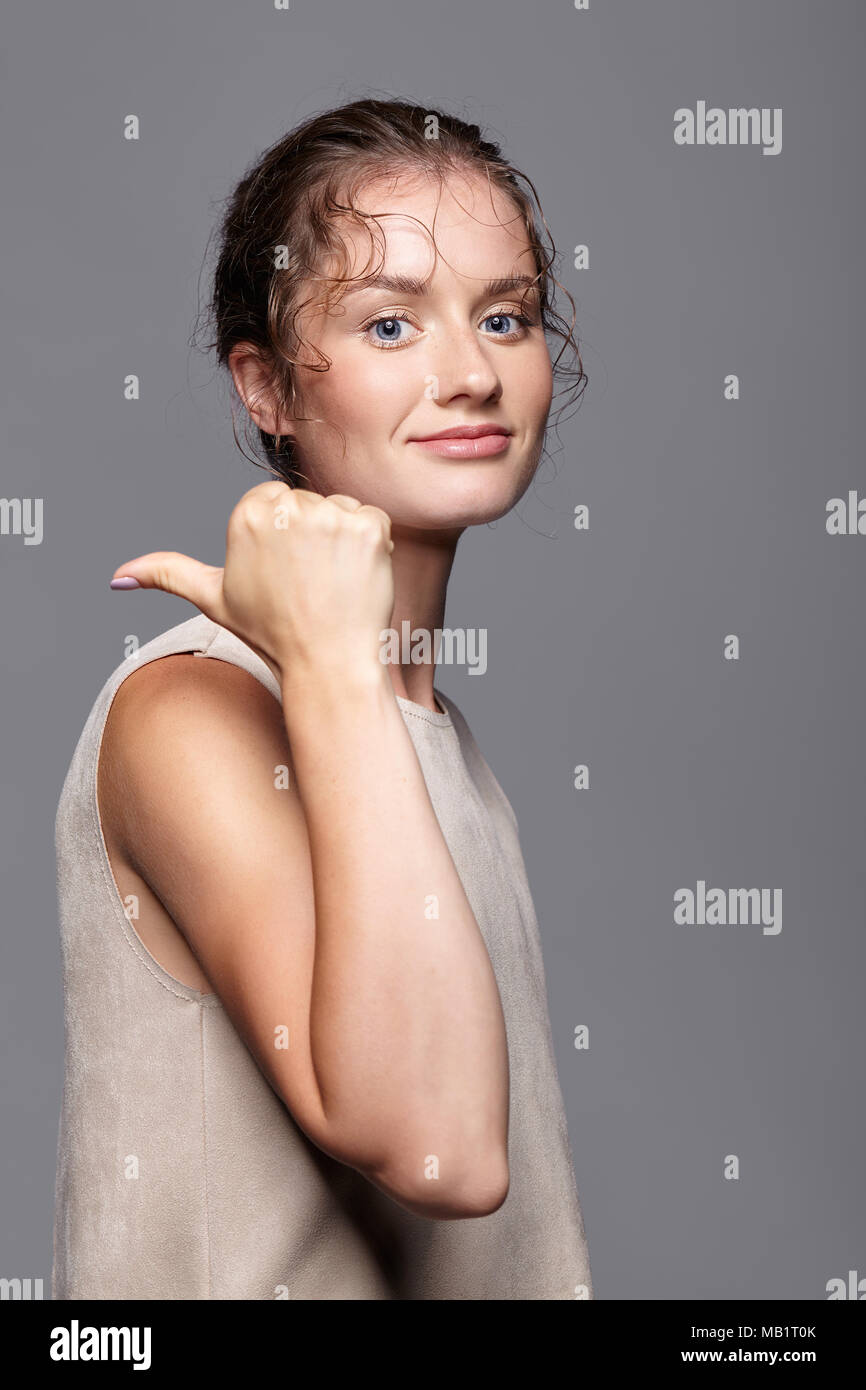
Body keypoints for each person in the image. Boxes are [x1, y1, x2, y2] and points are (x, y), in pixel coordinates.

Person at [51, 97, 594, 1299]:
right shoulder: (191, 711)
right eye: (389, 322)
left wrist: (350, 676)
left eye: (503, 316)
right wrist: (338, 665)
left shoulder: (431, 745)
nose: (468, 373)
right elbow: (439, 1150)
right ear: (267, 389)